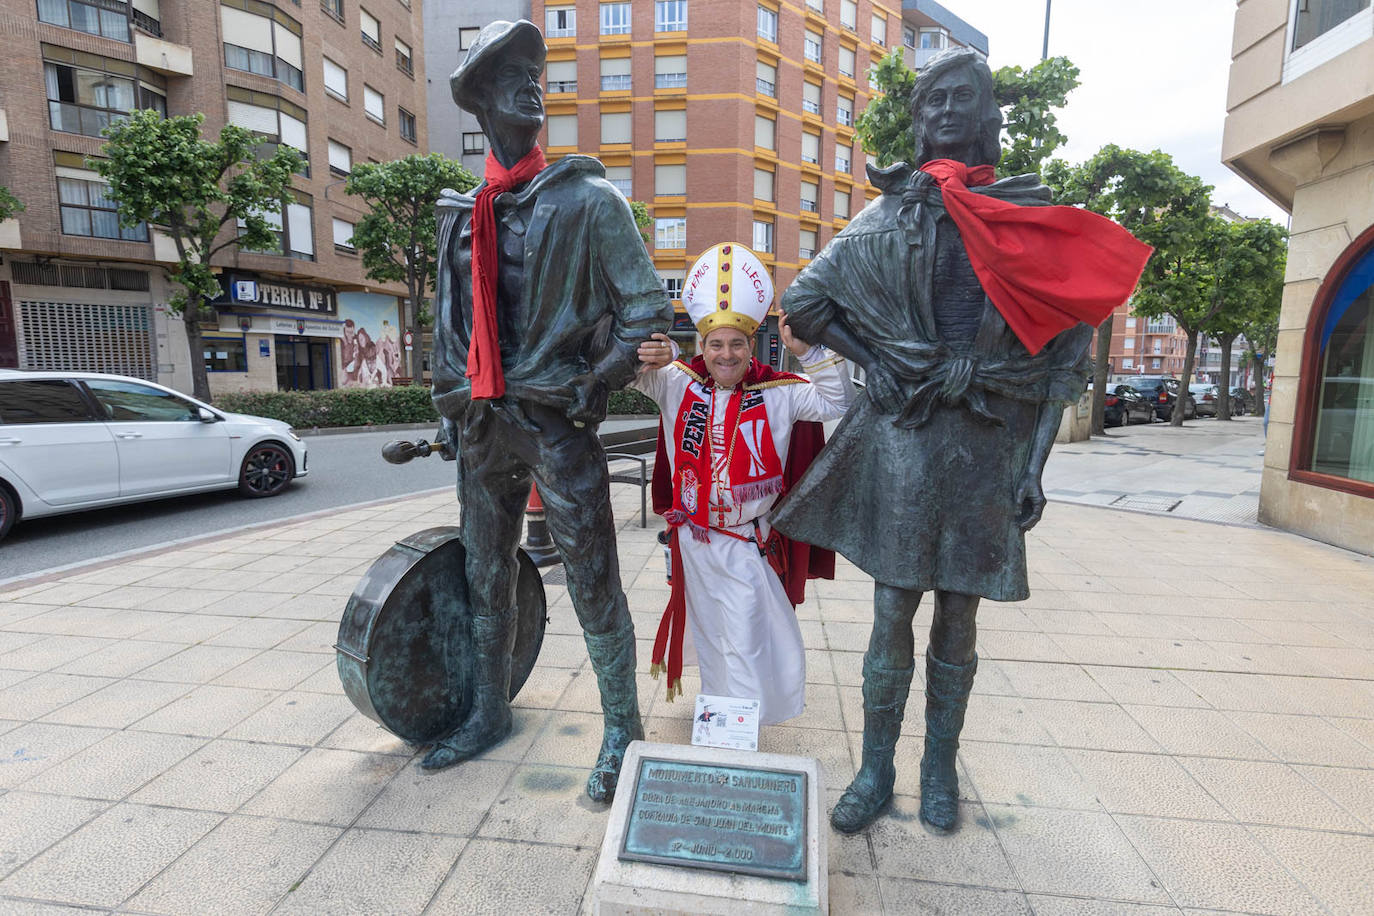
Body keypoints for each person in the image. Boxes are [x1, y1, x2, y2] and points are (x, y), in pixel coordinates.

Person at [772, 47, 1151, 833]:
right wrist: (882, 357)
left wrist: (1034, 467)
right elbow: (804, 303)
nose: (946, 108)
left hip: (986, 443)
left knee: (959, 619)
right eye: (933, 97)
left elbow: (1061, 361)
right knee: (891, 610)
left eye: (962, 96)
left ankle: (938, 767)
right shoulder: (890, 213)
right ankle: (875, 770)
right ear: (918, 119)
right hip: (908, 440)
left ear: (986, 116)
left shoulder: (1024, 219)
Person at [427, 20, 673, 802]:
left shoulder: (591, 200)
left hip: (558, 424)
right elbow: (449, 326)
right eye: (511, 78)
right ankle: (487, 709)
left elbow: (647, 314)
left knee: (593, 578)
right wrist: (447, 411)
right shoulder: (461, 215)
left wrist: (597, 380)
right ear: (482, 104)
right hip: (482, 425)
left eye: (536, 74)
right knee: (483, 573)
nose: (532, 86)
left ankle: (622, 729)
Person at [631, 243, 852, 725]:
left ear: (751, 346)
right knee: (712, 634)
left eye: (735, 344)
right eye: (715, 344)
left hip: (748, 542)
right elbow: (626, 370)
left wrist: (809, 352)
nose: (725, 354)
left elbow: (839, 403)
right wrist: (661, 351)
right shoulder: (675, 382)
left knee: (749, 634)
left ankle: (742, 723)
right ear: (701, 347)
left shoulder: (781, 392)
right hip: (692, 539)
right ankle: (721, 722)